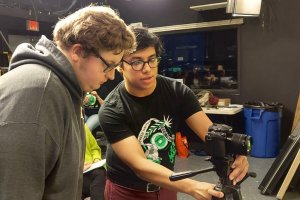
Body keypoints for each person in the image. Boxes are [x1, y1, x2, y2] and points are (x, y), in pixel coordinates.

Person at [0, 5, 135, 200]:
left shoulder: (63, 88)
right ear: (78, 52)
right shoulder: (38, 94)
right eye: (109, 65)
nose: (112, 75)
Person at [99, 26, 249, 200]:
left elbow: (211, 133)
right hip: (126, 190)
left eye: (152, 59)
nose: (147, 68)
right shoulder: (112, 109)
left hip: (166, 185)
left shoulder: (177, 91)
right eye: (136, 62)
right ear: (120, 66)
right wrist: (192, 187)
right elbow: (140, 165)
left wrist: (234, 151)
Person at [82, 124, 106, 200]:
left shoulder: (84, 126)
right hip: (74, 174)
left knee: (101, 172)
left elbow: (94, 148)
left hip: (91, 168)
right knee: (100, 174)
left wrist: (96, 159)